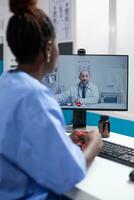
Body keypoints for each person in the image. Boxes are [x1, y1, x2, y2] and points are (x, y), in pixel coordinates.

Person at [0, 0, 103, 199]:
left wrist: (63, 141)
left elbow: (19, 140)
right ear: (48, 49)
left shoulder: (6, 84)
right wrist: (95, 143)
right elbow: (69, 174)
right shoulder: (35, 97)